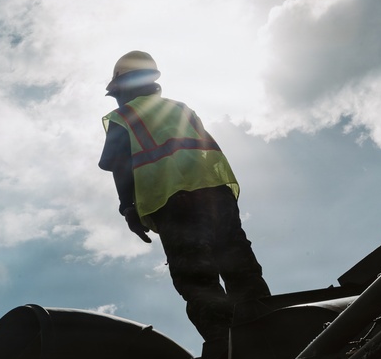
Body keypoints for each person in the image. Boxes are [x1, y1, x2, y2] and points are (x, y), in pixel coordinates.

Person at [98, 50, 270, 341]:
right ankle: (269, 333)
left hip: (174, 203)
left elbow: (119, 164)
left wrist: (128, 208)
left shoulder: (124, 117)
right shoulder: (181, 108)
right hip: (217, 196)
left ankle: (227, 350)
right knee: (241, 269)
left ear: (121, 88)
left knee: (198, 280)